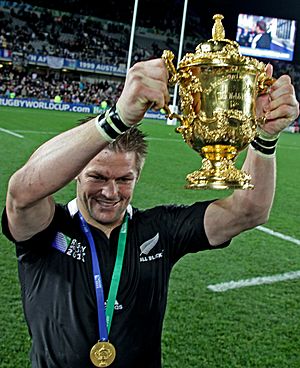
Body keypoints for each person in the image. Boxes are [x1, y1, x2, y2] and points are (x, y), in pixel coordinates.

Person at [2, 58, 299, 368]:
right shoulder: (48, 229)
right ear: (75, 173)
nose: (110, 192)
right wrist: (116, 118)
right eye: (97, 177)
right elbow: (22, 193)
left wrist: (265, 138)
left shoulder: (158, 229)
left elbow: (249, 211)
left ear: (138, 176)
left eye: (124, 179)